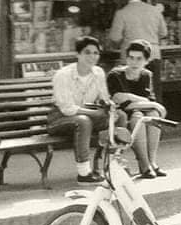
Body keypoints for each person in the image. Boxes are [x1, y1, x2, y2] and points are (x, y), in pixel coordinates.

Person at [49, 36, 126, 184]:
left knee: (120, 116)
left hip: (88, 116)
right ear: (78, 54)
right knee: (83, 121)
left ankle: (111, 164)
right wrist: (95, 113)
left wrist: (108, 105)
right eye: (87, 52)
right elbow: (67, 109)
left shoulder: (98, 73)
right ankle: (84, 174)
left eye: (96, 53)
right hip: (59, 119)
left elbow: (104, 97)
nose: (92, 56)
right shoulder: (63, 75)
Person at [107, 39, 167, 179]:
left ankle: (152, 161)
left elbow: (149, 101)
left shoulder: (146, 75)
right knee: (138, 116)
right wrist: (148, 103)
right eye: (131, 58)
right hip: (120, 116)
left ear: (146, 60)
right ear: (126, 58)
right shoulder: (115, 75)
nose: (134, 62)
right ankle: (144, 165)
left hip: (140, 111)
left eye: (139, 59)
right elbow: (119, 101)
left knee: (152, 114)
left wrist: (148, 104)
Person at [109, 0, 168, 102]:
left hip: (132, 58)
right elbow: (164, 33)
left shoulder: (121, 13)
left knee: (133, 93)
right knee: (154, 91)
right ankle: (157, 117)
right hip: (153, 55)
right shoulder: (154, 11)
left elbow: (115, 37)